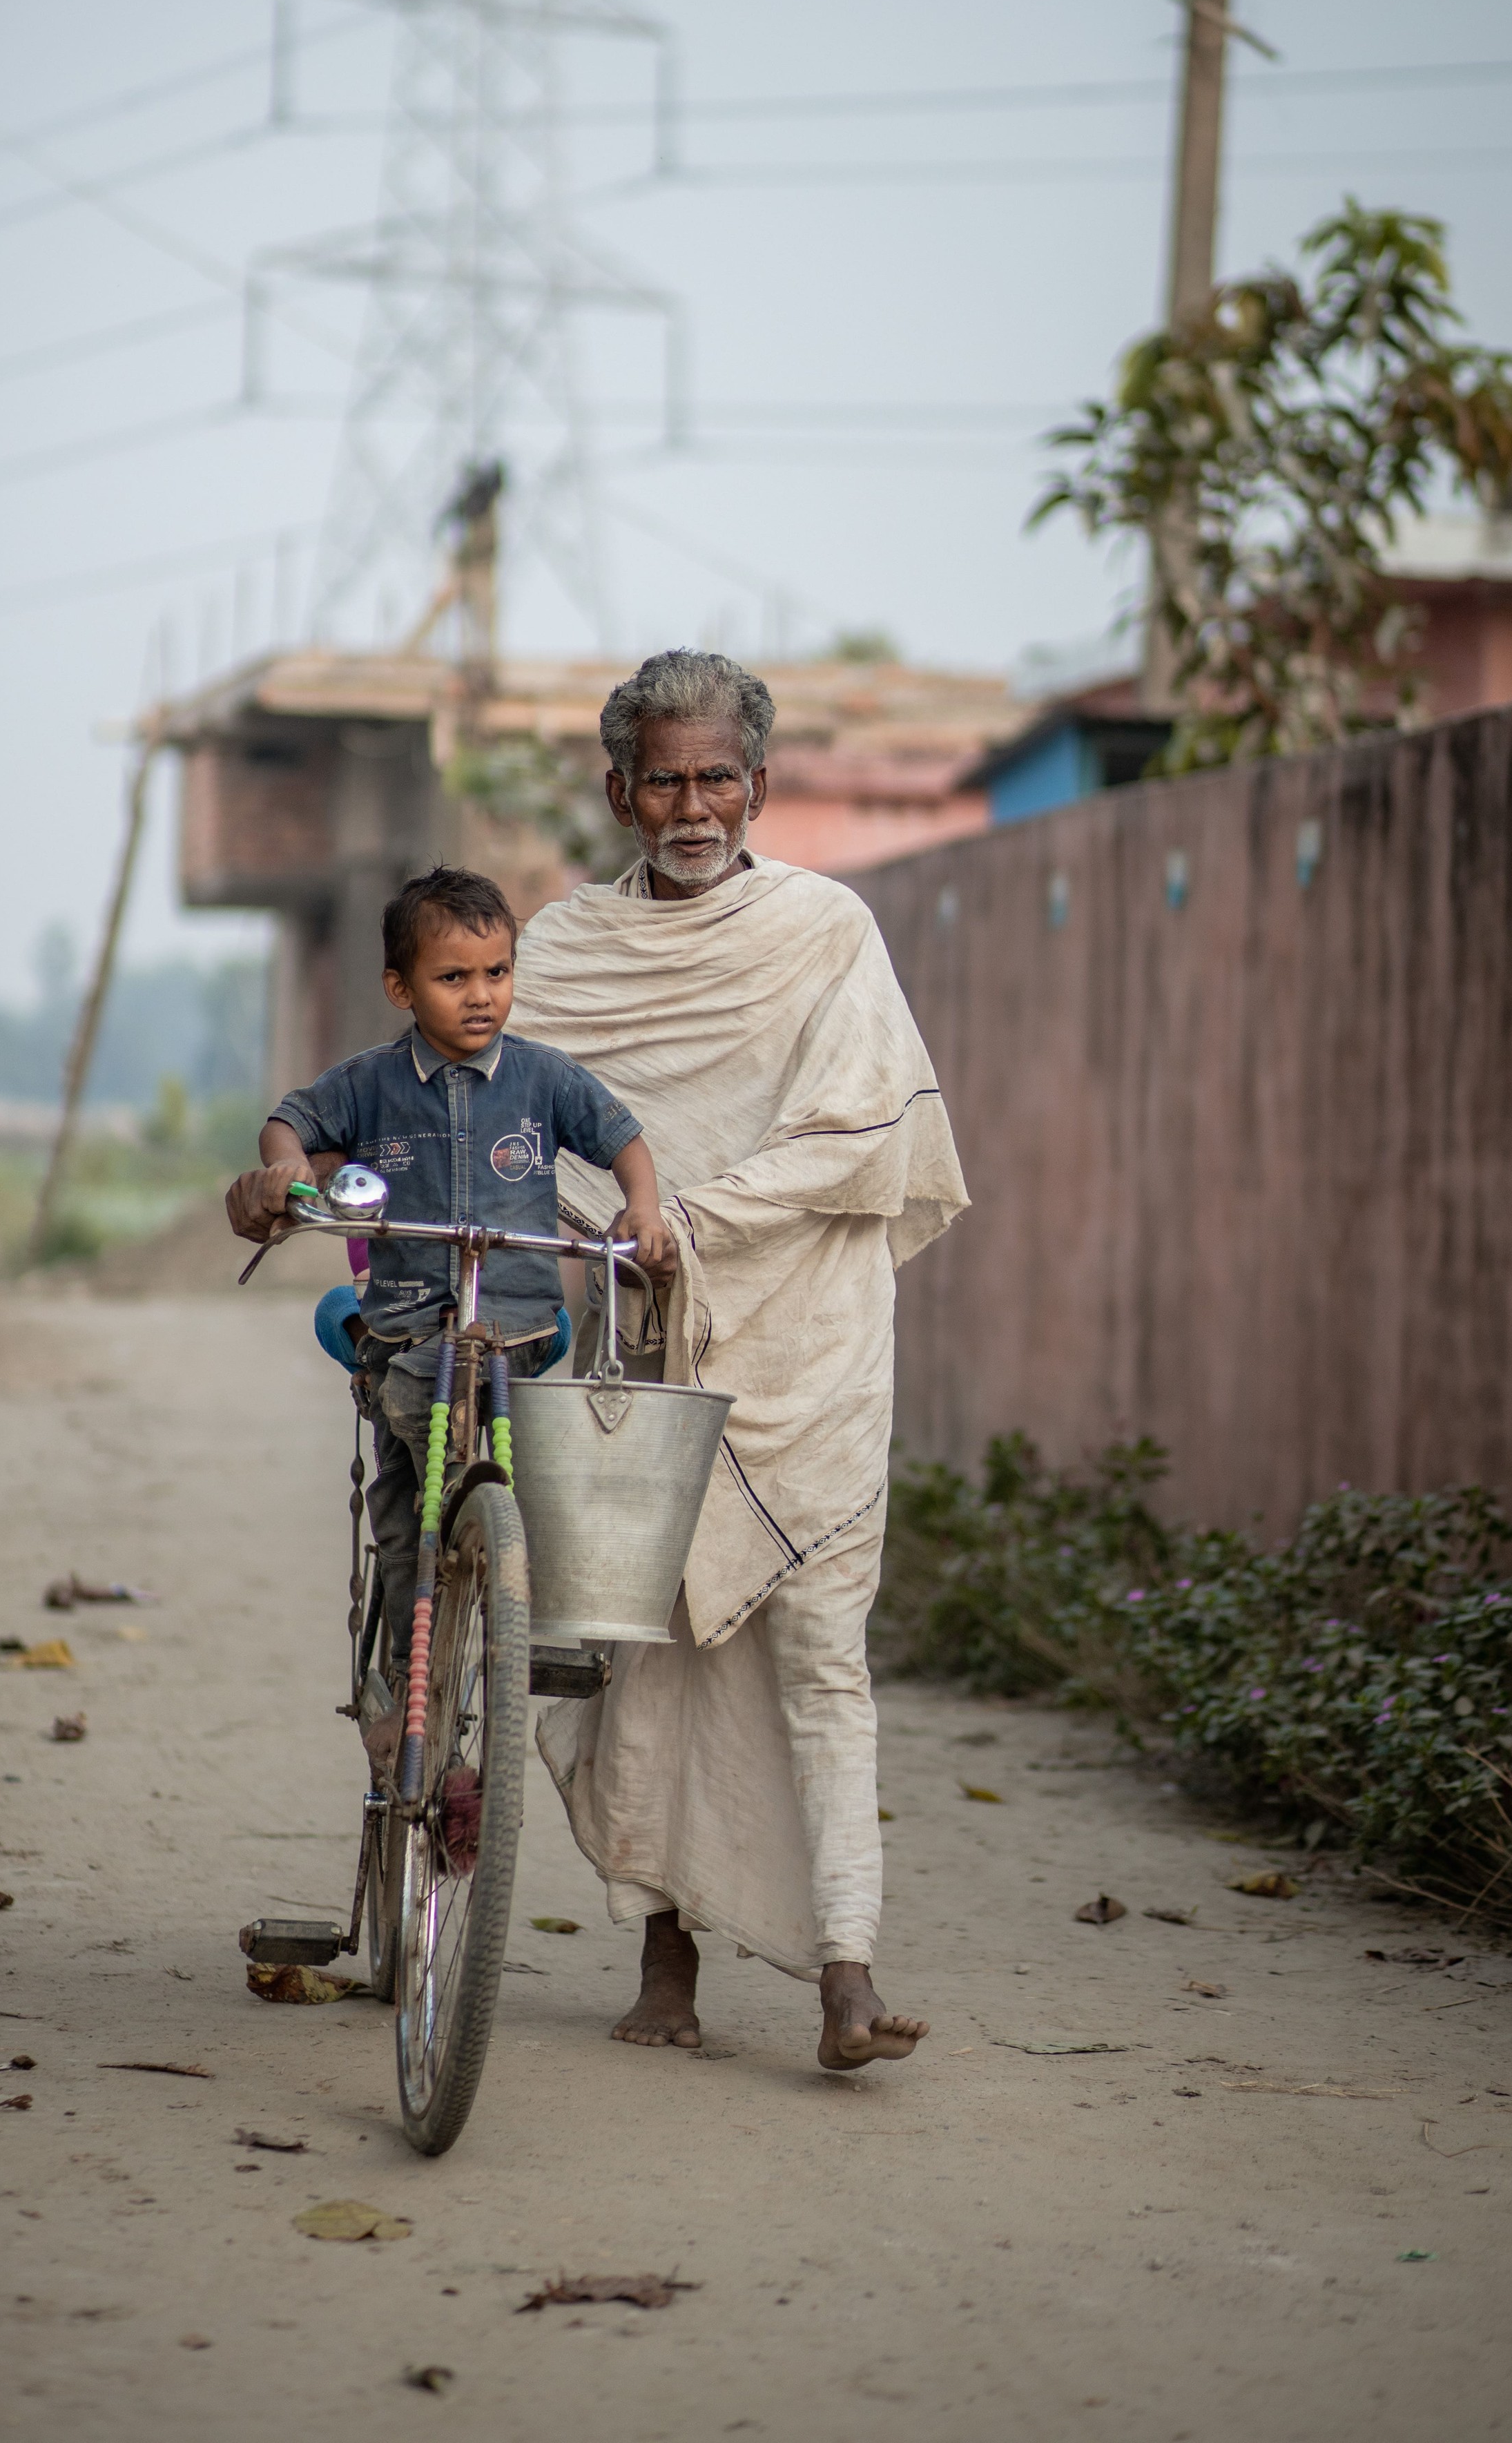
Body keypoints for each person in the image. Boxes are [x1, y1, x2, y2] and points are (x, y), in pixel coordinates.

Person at [510, 648, 969, 2074]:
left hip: (812, 1339)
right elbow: (526, 1134)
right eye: (665, 777)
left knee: (823, 1650)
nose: (693, 803)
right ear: (619, 790)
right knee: (642, 1644)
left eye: (718, 776)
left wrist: (688, 1218)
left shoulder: (829, 930)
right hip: (639, 1336)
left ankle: (846, 1964)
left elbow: (862, 1134)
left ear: (758, 785)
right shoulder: (562, 948)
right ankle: (665, 1952)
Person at [224, 865, 674, 1775]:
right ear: (401, 988)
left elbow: (621, 1136)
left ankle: (512, 1602)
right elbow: (291, 1120)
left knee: (545, 1467)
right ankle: (405, 1677)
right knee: (401, 1507)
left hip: (518, 1324)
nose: (480, 996)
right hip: (406, 1328)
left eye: (496, 974)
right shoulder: (371, 1085)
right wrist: (285, 1177)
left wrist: (643, 1207)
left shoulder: (543, 1082)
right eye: (453, 978)